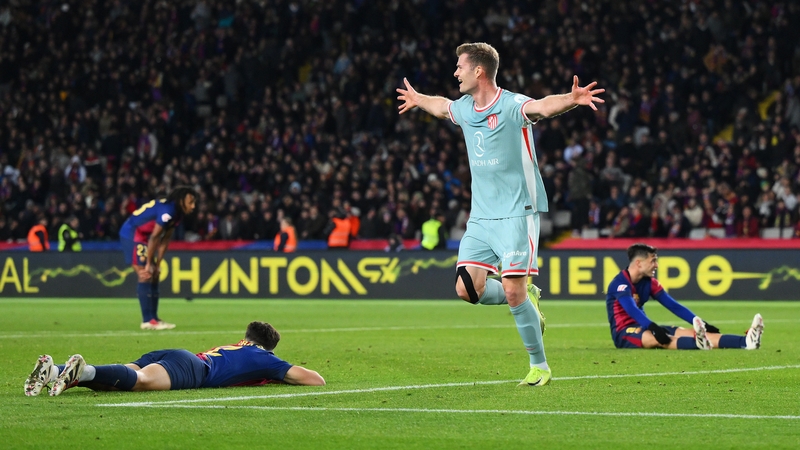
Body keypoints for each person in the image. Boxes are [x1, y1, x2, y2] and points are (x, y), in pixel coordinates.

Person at [396, 42, 604, 386]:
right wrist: (419, 100)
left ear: (479, 71)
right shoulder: (463, 108)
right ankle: (528, 296)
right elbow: (441, 107)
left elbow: (541, 108)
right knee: (466, 289)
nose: (455, 73)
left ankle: (540, 366)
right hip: (480, 217)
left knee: (511, 291)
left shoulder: (511, 104)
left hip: (516, 214)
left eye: (460, 67)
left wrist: (571, 99)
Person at [24, 321, 325, 397]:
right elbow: (315, 380)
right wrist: (276, 372)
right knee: (139, 383)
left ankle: (54, 371)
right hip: (194, 370)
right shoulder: (265, 359)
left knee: (122, 377)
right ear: (267, 347)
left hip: (176, 354)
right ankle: (83, 371)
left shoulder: (238, 346)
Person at [606, 243, 764, 350]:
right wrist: (653, 327)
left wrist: (702, 323)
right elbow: (631, 310)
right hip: (624, 333)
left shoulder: (650, 283)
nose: (657, 265)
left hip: (645, 325)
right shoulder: (619, 284)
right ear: (639, 263)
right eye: (653, 261)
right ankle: (698, 344)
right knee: (659, 339)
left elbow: (674, 306)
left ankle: (746, 342)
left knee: (690, 332)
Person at [119, 186, 198, 330]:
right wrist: (149, 263)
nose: (193, 206)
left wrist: (158, 263)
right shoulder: (168, 211)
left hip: (144, 236)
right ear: (181, 201)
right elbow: (155, 236)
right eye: (191, 202)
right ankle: (147, 321)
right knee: (145, 274)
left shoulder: (177, 214)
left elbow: (165, 240)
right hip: (133, 232)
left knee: (154, 274)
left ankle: (154, 319)